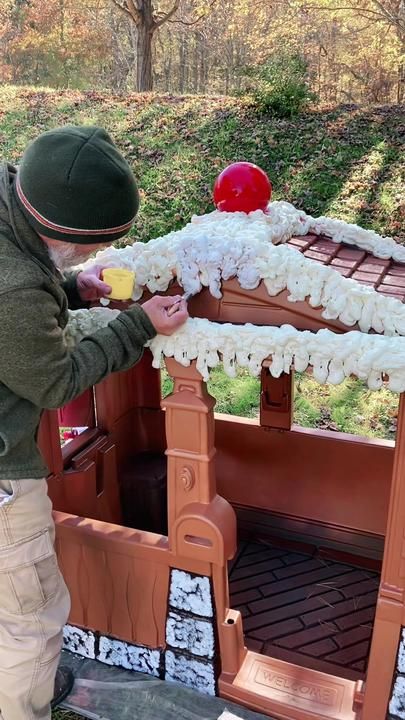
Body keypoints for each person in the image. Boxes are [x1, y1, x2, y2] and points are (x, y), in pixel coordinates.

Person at [0, 125, 188, 720]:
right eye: (86, 249)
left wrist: (72, 288)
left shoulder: (14, 207)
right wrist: (136, 328)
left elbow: (25, 297)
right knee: (32, 616)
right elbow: (53, 380)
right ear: (56, 226)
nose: (89, 257)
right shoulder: (15, 287)